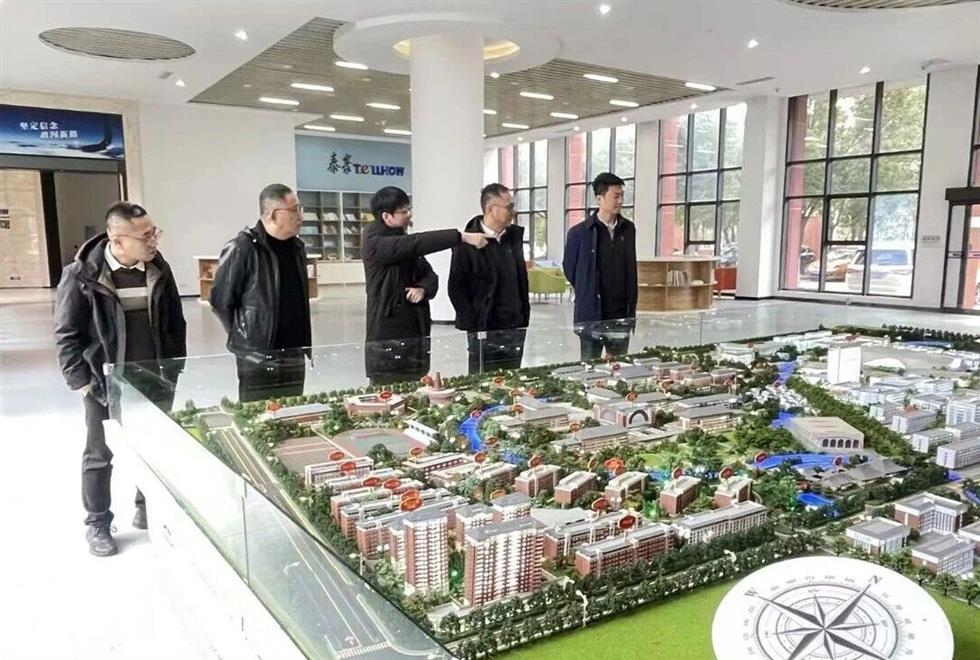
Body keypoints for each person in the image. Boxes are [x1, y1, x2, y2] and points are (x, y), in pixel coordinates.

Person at [54, 201, 186, 557]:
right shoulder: (81, 275)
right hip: (104, 384)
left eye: (154, 232)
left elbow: (176, 322)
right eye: (146, 236)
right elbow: (67, 335)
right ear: (118, 240)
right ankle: (98, 522)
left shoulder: (159, 269)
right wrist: (82, 383)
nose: (153, 240)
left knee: (154, 448)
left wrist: (174, 368)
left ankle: (147, 505)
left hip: (154, 379)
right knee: (99, 454)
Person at [362, 186, 488, 385]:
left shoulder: (401, 241)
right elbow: (417, 243)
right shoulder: (375, 242)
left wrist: (423, 289)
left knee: (417, 388)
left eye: (409, 209)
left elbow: (430, 275)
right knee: (388, 394)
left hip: (415, 331)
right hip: (386, 336)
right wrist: (461, 236)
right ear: (386, 216)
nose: (409, 215)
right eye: (403, 211)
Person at [210, 183, 311, 402]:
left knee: (292, 411)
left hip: (294, 353)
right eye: (294, 210)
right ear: (273, 214)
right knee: (257, 413)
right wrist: (245, 336)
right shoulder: (243, 248)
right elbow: (220, 301)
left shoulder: (297, 248)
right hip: (257, 356)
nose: (300, 216)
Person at [449, 183, 530, 374]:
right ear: (490, 209)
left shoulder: (513, 237)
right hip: (484, 327)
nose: (514, 212)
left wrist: (523, 315)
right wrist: (474, 324)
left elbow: (520, 279)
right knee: (482, 380)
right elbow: (456, 287)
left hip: (514, 325)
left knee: (512, 379)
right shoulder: (468, 242)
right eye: (509, 207)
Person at [562, 172, 638, 361]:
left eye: (622, 196)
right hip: (591, 315)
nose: (620, 201)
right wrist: (588, 288)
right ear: (599, 199)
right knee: (590, 367)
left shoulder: (628, 229)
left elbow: (630, 269)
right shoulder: (579, 233)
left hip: (620, 315)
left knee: (619, 366)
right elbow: (570, 270)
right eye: (616, 196)